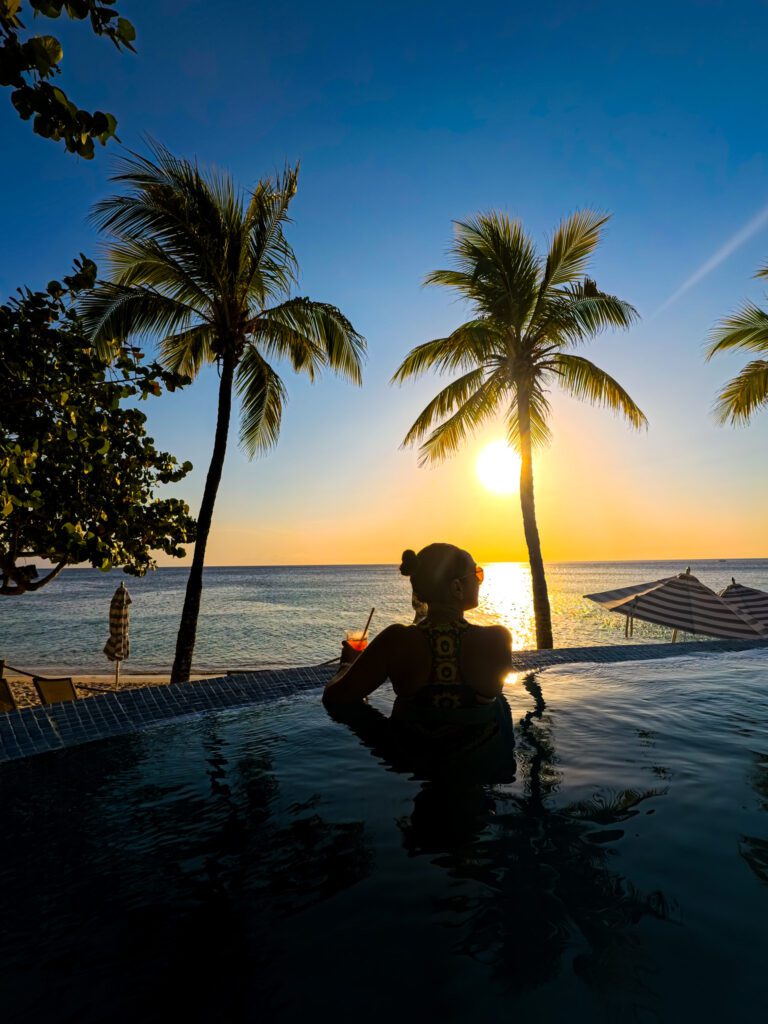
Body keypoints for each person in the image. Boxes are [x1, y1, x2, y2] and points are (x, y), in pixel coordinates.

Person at [323, 543, 513, 710]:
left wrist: (347, 665)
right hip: (484, 750)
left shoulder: (396, 641)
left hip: (409, 750)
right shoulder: (497, 640)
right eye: (477, 574)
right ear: (457, 587)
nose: (480, 580)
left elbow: (334, 698)